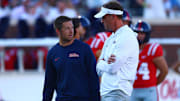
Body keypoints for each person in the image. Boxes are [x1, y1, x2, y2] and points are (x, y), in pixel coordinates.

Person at [42, 16, 100, 101]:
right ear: (58, 31)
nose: (71, 31)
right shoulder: (52, 53)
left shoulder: (84, 49)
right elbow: (49, 84)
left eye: (72, 28)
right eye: (67, 28)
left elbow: (93, 79)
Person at [94, 1, 139, 101]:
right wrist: (104, 63)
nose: (102, 21)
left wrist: (102, 63)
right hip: (110, 91)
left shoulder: (126, 37)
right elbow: (98, 69)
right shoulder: (111, 38)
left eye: (104, 17)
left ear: (113, 17)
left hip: (117, 90)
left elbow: (112, 68)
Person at [130, 20, 168, 101]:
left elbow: (164, 71)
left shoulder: (153, 49)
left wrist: (153, 84)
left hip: (149, 90)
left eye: (142, 33)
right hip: (132, 89)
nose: (139, 36)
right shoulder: (129, 48)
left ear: (147, 35)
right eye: (137, 33)